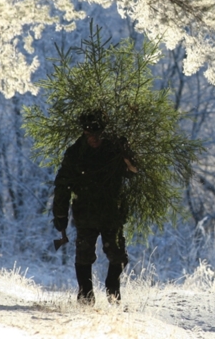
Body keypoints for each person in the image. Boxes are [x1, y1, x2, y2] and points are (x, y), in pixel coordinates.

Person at [52, 109, 138, 305]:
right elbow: (62, 185)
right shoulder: (75, 153)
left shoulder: (115, 149)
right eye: (90, 134)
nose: (95, 139)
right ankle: (86, 295)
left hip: (112, 213)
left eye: (98, 134)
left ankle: (112, 288)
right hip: (86, 213)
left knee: (118, 255)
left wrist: (127, 153)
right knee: (84, 255)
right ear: (84, 132)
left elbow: (134, 171)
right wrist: (60, 215)